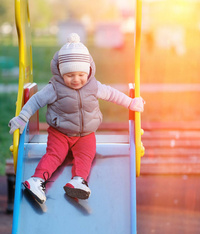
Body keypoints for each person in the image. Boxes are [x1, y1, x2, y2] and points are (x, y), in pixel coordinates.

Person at [8, 33, 145, 204]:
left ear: (88, 70)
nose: (76, 79)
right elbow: (35, 101)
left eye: (81, 74)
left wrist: (131, 103)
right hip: (61, 132)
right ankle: (36, 180)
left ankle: (78, 181)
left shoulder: (94, 86)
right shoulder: (55, 88)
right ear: (61, 72)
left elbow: (112, 94)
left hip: (86, 133)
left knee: (86, 155)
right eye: (70, 75)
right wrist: (22, 117)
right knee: (54, 155)